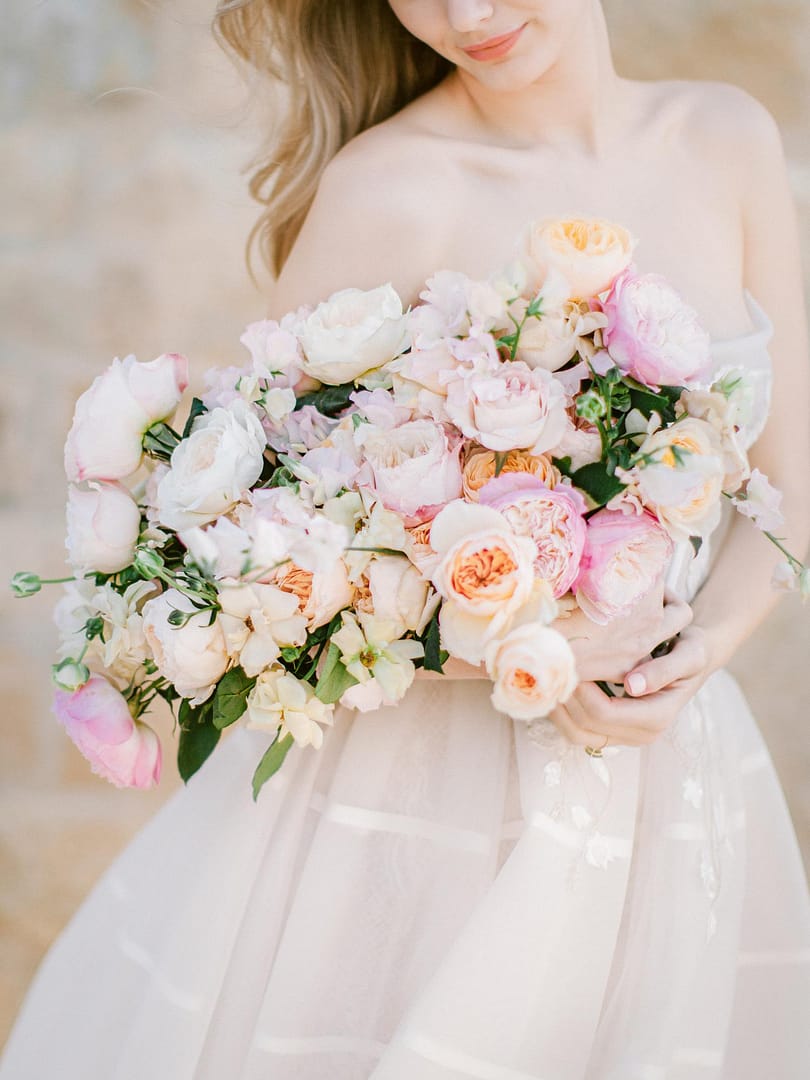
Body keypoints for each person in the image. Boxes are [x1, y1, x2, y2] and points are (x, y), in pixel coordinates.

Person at [2, 2, 809, 1077]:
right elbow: (270, 549)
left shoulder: (728, 139)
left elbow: (788, 490)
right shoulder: (388, 188)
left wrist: (700, 646)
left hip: (675, 777)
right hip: (423, 798)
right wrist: (517, 646)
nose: (464, 14)